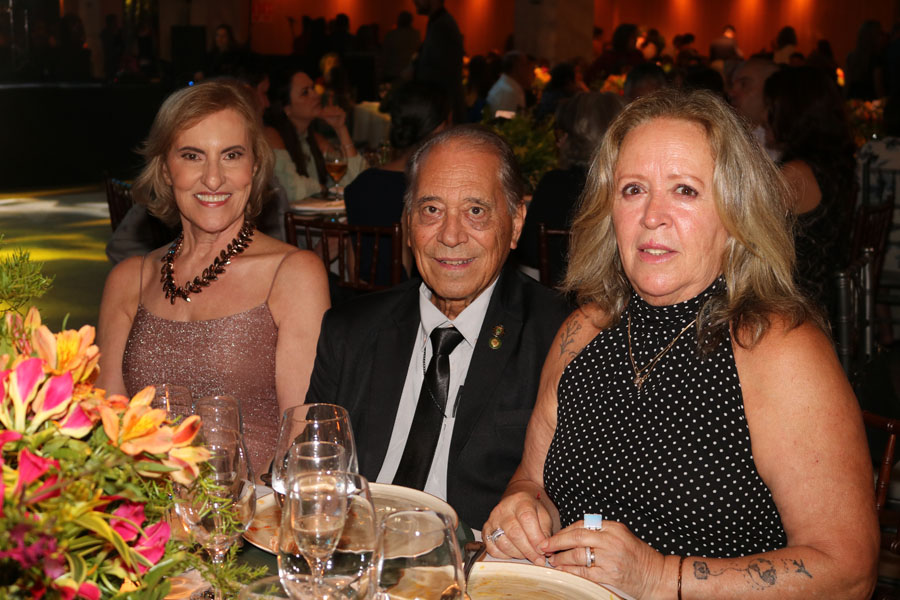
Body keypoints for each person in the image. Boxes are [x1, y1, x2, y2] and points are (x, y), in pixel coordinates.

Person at [482, 89, 878, 599]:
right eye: (632, 190)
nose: (652, 216)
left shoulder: (777, 349)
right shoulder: (582, 333)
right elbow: (532, 482)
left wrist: (657, 576)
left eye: (685, 191)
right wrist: (523, 509)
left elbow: (848, 570)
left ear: (735, 215)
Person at [306, 125, 571, 528]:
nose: (450, 235)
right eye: (431, 210)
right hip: (355, 543)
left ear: (516, 223)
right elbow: (309, 468)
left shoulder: (560, 336)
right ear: (408, 223)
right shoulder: (350, 330)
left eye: (476, 211)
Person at [96, 80, 331, 480]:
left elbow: (299, 439)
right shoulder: (128, 280)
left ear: (254, 166)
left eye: (231, 156)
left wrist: (233, 511)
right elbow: (110, 430)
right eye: (192, 156)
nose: (213, 179)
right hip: (146, 509)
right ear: (166, 169)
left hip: (254, 509)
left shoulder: (292, 275)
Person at [763, 66, 857, 320]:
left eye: (770, 107)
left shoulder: (795, 174)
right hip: (828, 297)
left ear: (790, 114)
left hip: (797, 304)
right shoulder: (834, 164)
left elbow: (748, 236)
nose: (763, 116)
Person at [344, 81, 449, 281]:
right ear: (439, 128)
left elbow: (353, 264)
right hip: (410, 295)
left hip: (365, 296)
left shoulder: (360, 184)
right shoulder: (429, 188)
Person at [517, 92, 624, 285]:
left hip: (558, 298)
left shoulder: (554, 185)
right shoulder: (629, 187)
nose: (558, 142)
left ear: (570, 138)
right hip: (622, 294)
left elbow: (530, 262)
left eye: (559, 134)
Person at [264, 70, 365, 201]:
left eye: (313, 88)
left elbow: (358, 182)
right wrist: (323, 188)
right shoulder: (272, 136)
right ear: (287, 108)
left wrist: (341, 129)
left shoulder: (313, 139)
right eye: (305, 92)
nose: (316, 95)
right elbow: (290, 189)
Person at [412, 0, 465, 122]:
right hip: (441, 108)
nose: (414, 1)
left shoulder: (443, 25)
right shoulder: (437, 22)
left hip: (443, 112)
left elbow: (437, 74)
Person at [728, 57, 779, 160]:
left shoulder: (780, 145)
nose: (731, 93)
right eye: (732, 85)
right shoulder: (724, 134)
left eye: (744, 84)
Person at [381, 10, 421, 84]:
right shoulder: (416, 35)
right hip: (409, 74)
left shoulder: (391, 35)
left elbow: (385, 55)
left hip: (393, 72)